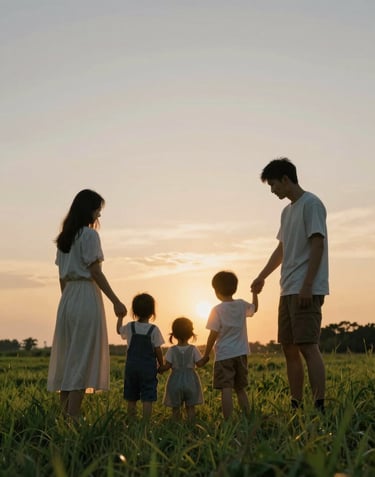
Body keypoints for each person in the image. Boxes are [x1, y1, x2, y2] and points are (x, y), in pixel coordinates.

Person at [251, 157, 329, 413]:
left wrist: (308, 285)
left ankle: (319, 406)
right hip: (288, 288)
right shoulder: (287, 211)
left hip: (305, 289)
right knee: (289, 348)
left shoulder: (312, 204)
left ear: (286, 179)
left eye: (274, 185)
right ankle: (296, 405)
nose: (273, 191)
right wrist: (262, 275)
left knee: (308, 346)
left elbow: (318, 244)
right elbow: (282, 248)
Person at [47, 189, 127, 421]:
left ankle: (65, 415)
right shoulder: (89, 236)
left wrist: (67, 301)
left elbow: (62, 277)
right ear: (87, 210)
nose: (98, 216)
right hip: (85, 295)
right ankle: (74, 415)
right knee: (82, 356)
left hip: (67, 299)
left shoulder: (65, 238)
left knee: (69, 356)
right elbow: (95, 271)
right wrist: (116, 300)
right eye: (97, 210)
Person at [202, 271, 258, 420]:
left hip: (224, 355)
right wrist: (255, 294)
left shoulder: (217, 310)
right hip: (241, 354)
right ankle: (248, 416)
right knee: (240, 388)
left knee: (226, 388)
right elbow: (254, 308)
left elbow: (212, 335)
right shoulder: (241, 305)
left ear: (216, 291)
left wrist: (206, 354)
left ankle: (228, 420)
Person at [117, 293, 164, 421]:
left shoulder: (130, 327)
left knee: (131, 396)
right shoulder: (153, 330)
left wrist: (120, 317)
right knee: (147, 396)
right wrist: (162, 364)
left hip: (131, 367)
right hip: (148, 368)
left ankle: (131, 421)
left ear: (134, 312)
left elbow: (118, 330)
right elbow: (158, 349)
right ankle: (146, 423)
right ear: (152, 313)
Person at [160, 317, 205, 421]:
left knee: (176, 408)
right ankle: (191, 426)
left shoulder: (172, 350)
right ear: (191, 334)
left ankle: (176, 426)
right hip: (191, 381)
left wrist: (160, 369)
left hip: (175, 381)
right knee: (190, 407)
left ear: (174, 335)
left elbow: (167, 366)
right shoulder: (193, 349)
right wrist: (206, 357)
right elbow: (199, 363)